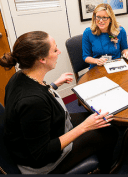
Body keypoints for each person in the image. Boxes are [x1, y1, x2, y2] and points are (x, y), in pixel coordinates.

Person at [0, 31, 119, 174]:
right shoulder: (33, 102)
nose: (59, 52)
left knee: (97, 119)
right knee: (108, 132)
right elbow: (42, 154)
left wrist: (54, 85)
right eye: (55, 49)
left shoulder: (19, 76)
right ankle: (106, 170)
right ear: (42, 59)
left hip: (39, 136)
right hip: (42, 163)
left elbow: (38, 93)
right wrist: (84, 127)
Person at [82, 3, 128, 69]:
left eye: (104, 18)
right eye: (98, 17)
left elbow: (124, 49)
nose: (101, 21)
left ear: (110, 19)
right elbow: (86, 57)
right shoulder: (88, 33)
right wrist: (96, 61)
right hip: (97, 68)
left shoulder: (120, 31)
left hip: (116, 67)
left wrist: (126, 53)